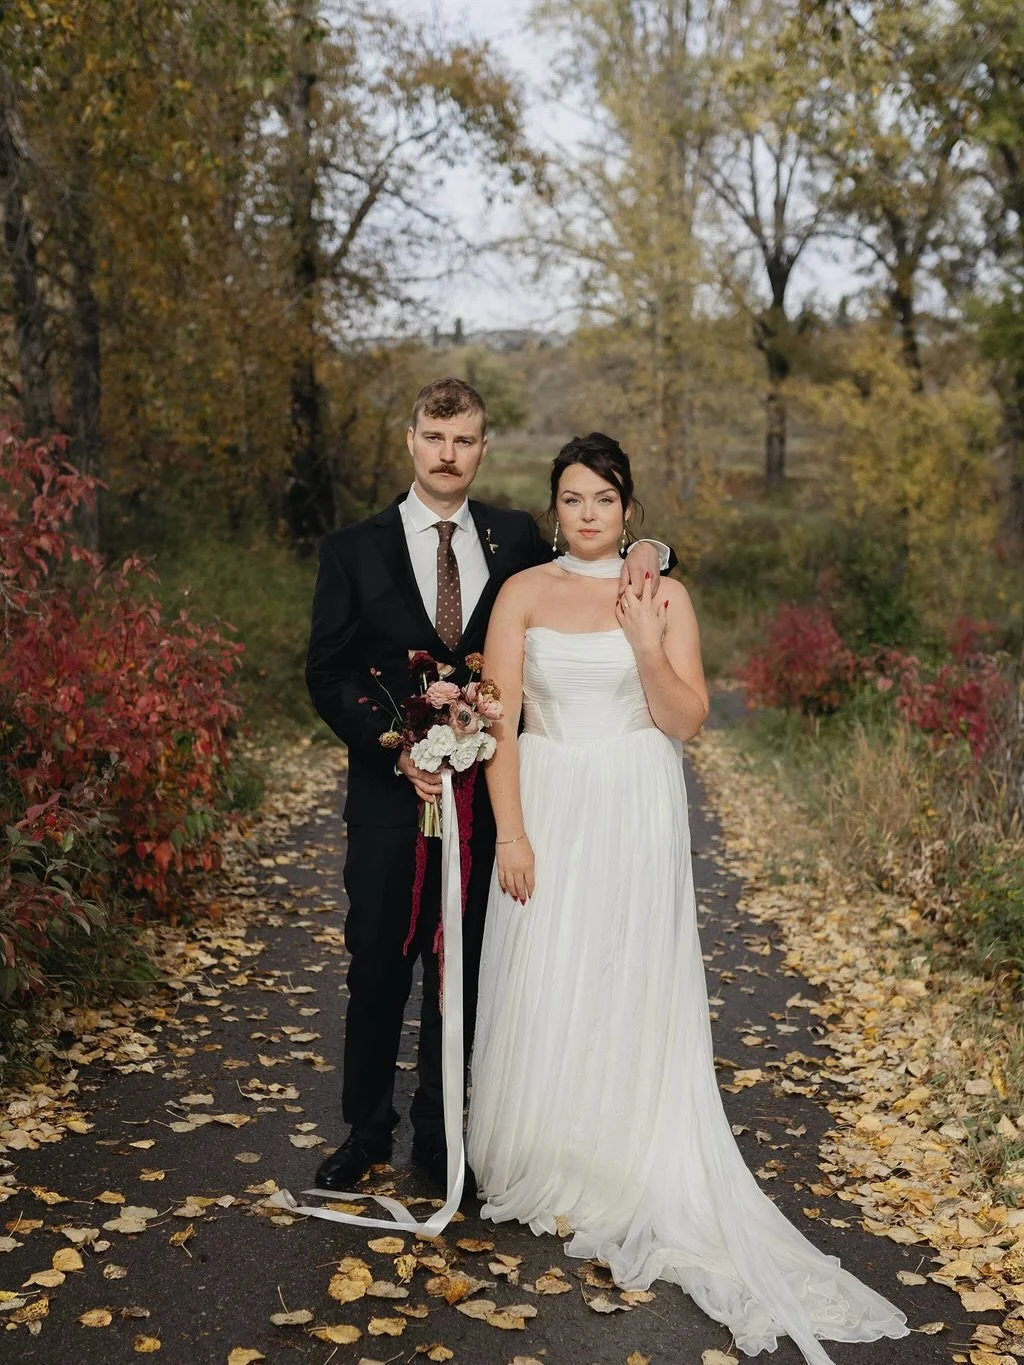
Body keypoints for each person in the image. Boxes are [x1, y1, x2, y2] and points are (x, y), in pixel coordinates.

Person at [466, 432, 909, 1364]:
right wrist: (510, 829)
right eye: (573, 499)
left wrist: (641, 640)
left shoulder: (662, 594)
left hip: (634, 802)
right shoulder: (523, 593)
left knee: (626, 973)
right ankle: (551, 1151)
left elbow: (688, 720)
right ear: (556, 509)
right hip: (547, 796)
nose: (589, 513)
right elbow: (498, 722)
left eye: (605, 499)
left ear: (630, 510)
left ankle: (626, 1160)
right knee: (550, 968)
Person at [305, 379, 671, 1194]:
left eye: (464, 439)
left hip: (486, 803)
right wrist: (392, 742)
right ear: (411, 441)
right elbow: (325, 673)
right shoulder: (352, 549)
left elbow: (595, 551)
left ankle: (441, 1141)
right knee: (377, 965)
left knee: (465, 969)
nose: (448, 453)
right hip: (391, 798)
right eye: (435, 436)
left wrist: (656, 551)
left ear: (482, 448)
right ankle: (365, 1132)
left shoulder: (514, 540)